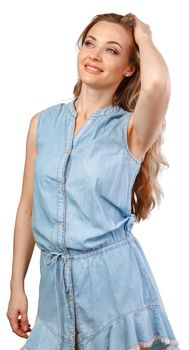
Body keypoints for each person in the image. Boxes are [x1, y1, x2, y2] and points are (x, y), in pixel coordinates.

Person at [6, 12, 180, 350]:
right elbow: (27, 209)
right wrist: (16, 287)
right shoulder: (42, 124)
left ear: (130, 67)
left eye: (112, 50)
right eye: (90, 43)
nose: (95, 55)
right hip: (54, 298)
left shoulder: (131, 129)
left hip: (115, 294)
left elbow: (157, 84)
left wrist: (142, 35)